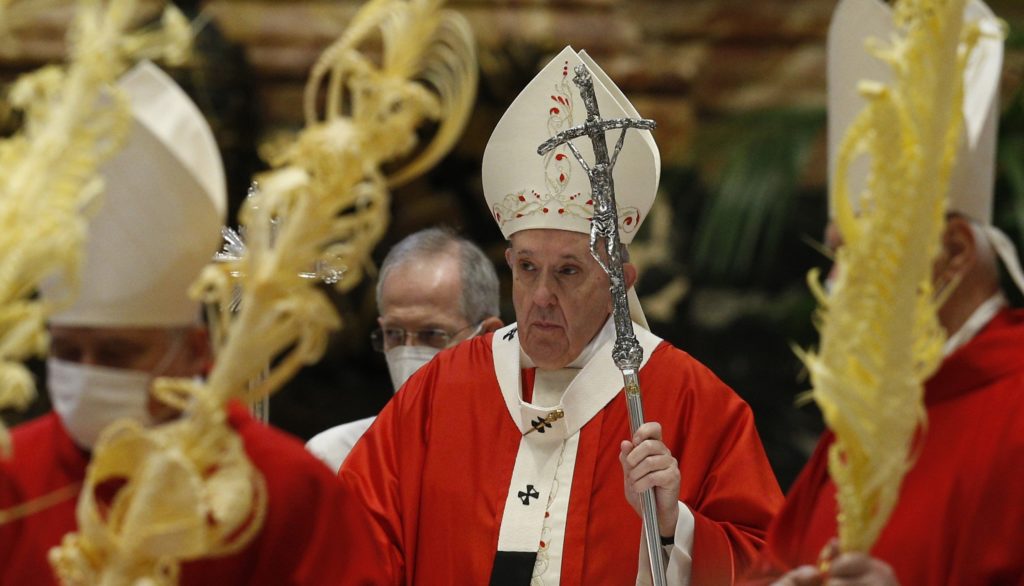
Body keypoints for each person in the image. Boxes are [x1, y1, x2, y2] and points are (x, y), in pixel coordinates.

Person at [335, 45, 782, 585]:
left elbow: (768, 566)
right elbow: (353, 536)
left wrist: (673, 527)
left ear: (620, 282)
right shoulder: (443, 389)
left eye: (568, 271)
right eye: (527, 267)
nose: (541, 295)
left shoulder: (689, 399)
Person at [0, 61, 349, 584]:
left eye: (117, 354)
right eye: (69, 352)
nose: (88, 373)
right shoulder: (10, 477)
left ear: (193, 351)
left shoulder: (281, 486)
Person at [745, 1, 1024, 584]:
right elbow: (776, 562)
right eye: (836, 254)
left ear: (953, 252)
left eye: (864, 250)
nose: (840, 284)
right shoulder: (865, 420)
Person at [306, 226, 503, 471]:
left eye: (432, 334)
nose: (407, 352)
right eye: (394, 334)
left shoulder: (525, 455)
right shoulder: (336, 457)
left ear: (488, 337)